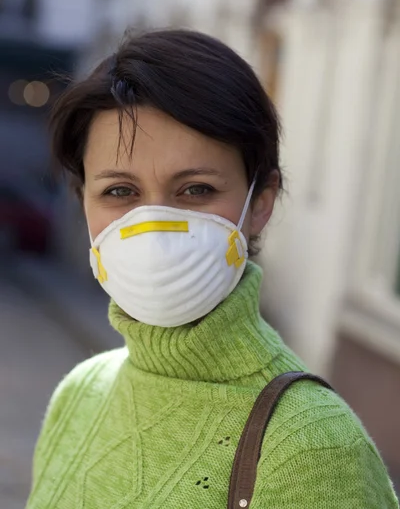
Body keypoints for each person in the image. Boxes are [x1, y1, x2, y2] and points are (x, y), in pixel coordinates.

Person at [26, 29, 398, 508]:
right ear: (84, 203)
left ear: (259, 202)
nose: (154, 226)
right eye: (120, 191)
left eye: (196, 189)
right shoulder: (77, 395)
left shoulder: (314, 448)